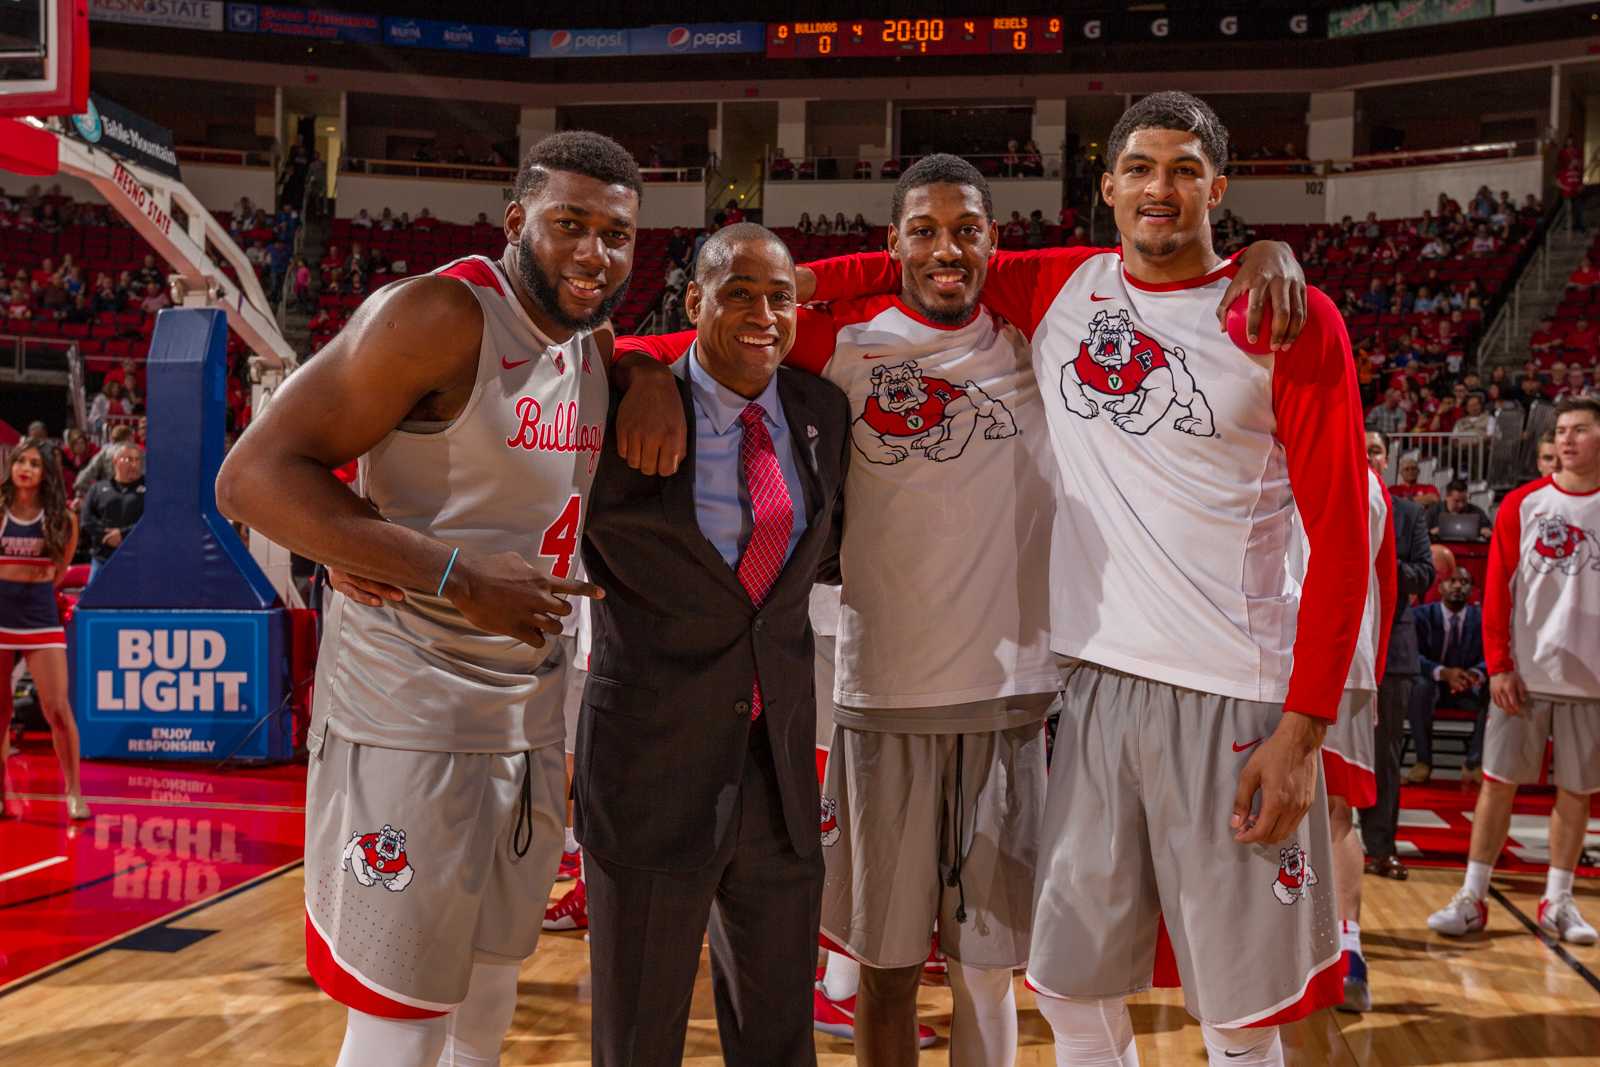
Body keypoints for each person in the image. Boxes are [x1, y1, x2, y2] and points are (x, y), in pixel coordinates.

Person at [765, 92, 1343, 1066]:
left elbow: (1342, 542)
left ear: (1219, 185)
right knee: (1069, 991)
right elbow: (834, 283)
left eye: (1186, 170)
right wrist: (894, 254)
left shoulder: (1281, 316)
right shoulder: (1061, 288)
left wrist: (1303, 727)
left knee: (1241, 1011)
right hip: (1085, 696)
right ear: (1107, 186)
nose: (1162, 188)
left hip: (1230, 696)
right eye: (1143, 169)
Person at [215, 130, 635, 1067]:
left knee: (486, 996)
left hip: (522, 720)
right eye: (570, 224)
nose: (594, 252)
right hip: (407, 715)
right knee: (401, 1017)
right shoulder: (440, 314)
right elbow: (250, 478)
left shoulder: (587, 343)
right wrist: (446, 572)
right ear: (517, 219)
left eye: (616, 233)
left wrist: (641, 376)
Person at [577, 223, 851, 1067]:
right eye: (739, 292)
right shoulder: (620, 404)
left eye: (780, 296)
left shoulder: (821, 412)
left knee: (778, 1038)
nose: (764, 313)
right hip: (651, 769)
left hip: (777, 770)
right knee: (638, 1038)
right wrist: (639, 366)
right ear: (693, 302)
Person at [1427, 398, 1600, 945]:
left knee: (1576, 792)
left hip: (1590, 682)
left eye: (1581, 430)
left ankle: (1560, 900)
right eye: (1562, 430)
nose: (1568, 439)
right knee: (1496, 786)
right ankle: (1473, 897)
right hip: (1524, 677)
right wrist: (1498, 665)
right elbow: (1497, 592)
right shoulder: (1523, 505)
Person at [1288, 463, 1394, 1015]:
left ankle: (1271, 955)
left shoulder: (1267, 451)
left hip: (1275, 655)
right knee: (1336, 814)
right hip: (1350, 662)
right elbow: (1386, 582)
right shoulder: (1373, 480)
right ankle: (1348, 951)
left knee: (1256, 807)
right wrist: (1369, 673)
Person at [1358, 431, 1435, 883]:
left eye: (1376, 450)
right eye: (1362, 448)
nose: (1369, 456)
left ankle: (1381, 848)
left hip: (1393, 647)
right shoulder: (1327, 498)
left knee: (1384, 755)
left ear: (1386, 460)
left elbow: (1424, 573)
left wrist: (1373, 561)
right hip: (1341, 646)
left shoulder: (1408, 515)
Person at [0, 439, 86, 820]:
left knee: (56, 708)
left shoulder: (62, 519)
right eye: (21, 461)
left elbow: (61, 571)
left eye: (34, 463)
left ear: (45, 473)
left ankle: (74, 792)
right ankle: (1, 793)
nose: (26, 468)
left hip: (38, 614)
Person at [1407, 569, 1489, 785]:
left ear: (1472, 589)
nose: (1458, 586)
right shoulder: (1421, 615)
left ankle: (1474, 762)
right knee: (1419, 687)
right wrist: (1443, 673)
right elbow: (1412, 655)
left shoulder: (1481, 617)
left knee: (1492, 690)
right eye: (1452, 581)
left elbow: (1490, 654)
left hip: (1466, 686)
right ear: (1440, 586)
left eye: (1465, 581)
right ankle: (1423, 762)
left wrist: (1474, 673)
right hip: (1432, 684)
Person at [81, 443, 145, 582]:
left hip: (136, 561)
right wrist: (107, 536)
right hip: (102, 560)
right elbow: (86, 520)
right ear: (115, 461)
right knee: (94, 603)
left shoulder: (150, 489)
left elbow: (152, 520)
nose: (134, 464)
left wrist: (123, 535)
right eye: (129, 459)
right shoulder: (98, 488)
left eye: (137, 460)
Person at [73, 424, 133, 497]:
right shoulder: (140, 453)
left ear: (112, 439)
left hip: (109, 496)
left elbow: (81, 480)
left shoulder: (104, 452)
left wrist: (96, 492)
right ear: (130, 437)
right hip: (133, 498)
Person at [1425, 479, 1492, 541]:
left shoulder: (1476, 511)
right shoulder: (1433, 511)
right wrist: (1431, 533)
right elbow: (1420, 538)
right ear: (1447, 497)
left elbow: (1492, 534)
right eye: (1456, 501)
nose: (1461, 505)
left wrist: (1486, 533)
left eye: (1464, 500)